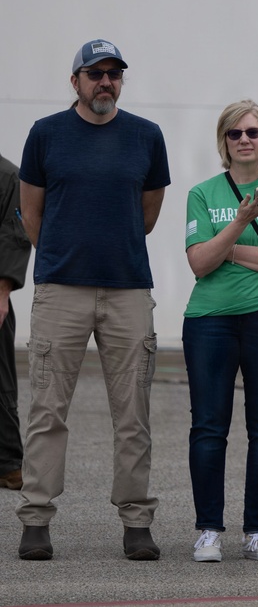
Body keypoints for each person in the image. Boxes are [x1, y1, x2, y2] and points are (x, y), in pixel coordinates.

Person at [16, 39, 169, 561]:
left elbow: (147, 215)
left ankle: (136, 521)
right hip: (61, 289)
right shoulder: (46, 135)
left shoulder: (147, 137)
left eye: (114, 73)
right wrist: (62, 255)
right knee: (47, 408)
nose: (106, 81)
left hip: (127, 288)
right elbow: (30, 213)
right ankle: (36, 518)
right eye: (95, 73)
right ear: (75, 80)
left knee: (133, 413)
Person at [182, 99, 258, 563]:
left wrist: (228, 251)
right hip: (209, 321)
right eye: (235, 134)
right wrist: (241, 222)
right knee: (209, 428)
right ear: (224, 142)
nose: (245, 140)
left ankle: (257, 531)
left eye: (253, 131)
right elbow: (197, 263)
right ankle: (208, 530)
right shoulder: (202, 193)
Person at [1, 153, 32, 491]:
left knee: (1, 380)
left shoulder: (8, 176)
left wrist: (2, 292)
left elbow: (16, 234)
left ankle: (7, 462)